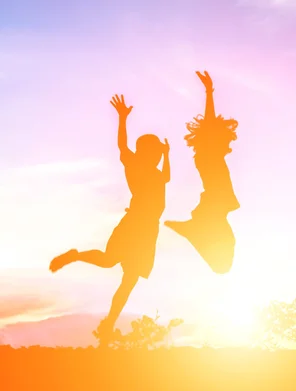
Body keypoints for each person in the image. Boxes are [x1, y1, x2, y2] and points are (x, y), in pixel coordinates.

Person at [49, 94, 170, 344]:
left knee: (129, 281)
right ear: (146, 152)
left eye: (159, 152)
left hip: (148, 231)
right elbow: (122, 146)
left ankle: (109, 325)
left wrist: (167, 155)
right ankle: (75, 255)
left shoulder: (158, 173)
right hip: (135, 225)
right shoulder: (135, 165)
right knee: (108, 262)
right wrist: (122, 118)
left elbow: (167, 176)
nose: (158, 155)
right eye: (156, 151)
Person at [165, 70, 239, 274]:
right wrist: (209, 92)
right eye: (226, 139)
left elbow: (210, 126)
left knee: (225, 253)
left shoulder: (208, 154)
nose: (228, 143)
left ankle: (193, 230)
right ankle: (192, 230)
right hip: (217, 199)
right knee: (225, 253)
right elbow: (209, 122)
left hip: (215, 202)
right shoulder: (210, 152)